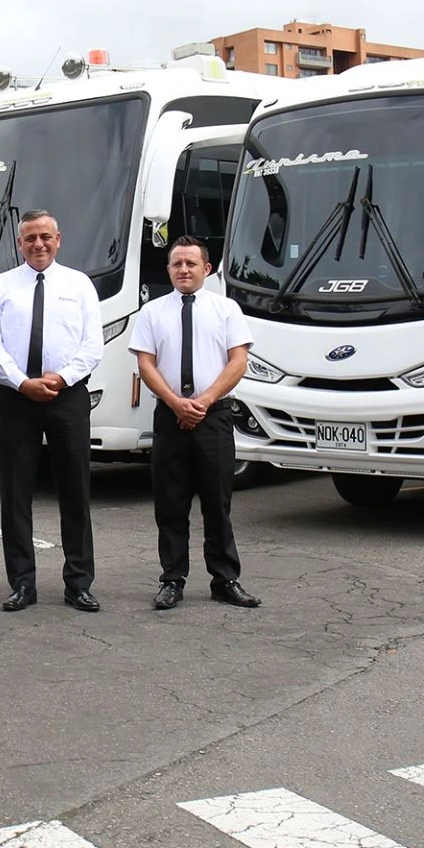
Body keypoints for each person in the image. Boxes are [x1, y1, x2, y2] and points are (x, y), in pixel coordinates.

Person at [0, 210, 104, 613]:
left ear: (58, 239)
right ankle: (22, 584)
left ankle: (79, 583)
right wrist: (22, 382)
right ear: (20, 243)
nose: (38, 244)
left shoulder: (79, 285)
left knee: (75, 490)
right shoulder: (1, 287)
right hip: (16, 398)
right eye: (30, 238)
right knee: (16, 494)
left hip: (68, 397)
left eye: (45, 237)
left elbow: (92, 345)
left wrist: (62, 379)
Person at [130, 236, 261, 611]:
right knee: (170, 504)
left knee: (217, 502)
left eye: (190, 263)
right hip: (170, 417)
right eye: (177, 264)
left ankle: (225, 579)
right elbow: (145, 364)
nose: (183, 270)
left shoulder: (226, 309)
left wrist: (202, 402)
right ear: (168, 269)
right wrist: (176, 404)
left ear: (206, 268)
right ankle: (172, 579)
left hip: (213, 416)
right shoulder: (152, 312)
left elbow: (238, 361)